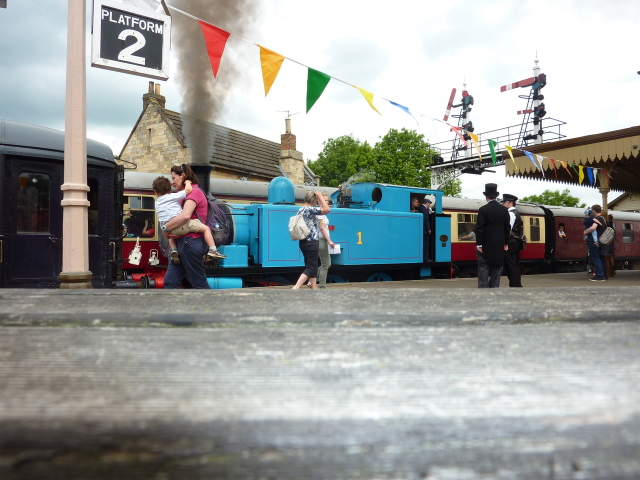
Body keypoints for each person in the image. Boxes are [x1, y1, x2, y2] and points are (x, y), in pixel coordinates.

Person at [161, 164, 212, 289]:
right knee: (170, 281)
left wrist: (165, 228)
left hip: (191, 242)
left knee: (198, 283)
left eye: (174, 178)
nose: (172, 182)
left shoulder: (194, 192)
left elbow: (185, 215)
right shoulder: (183, 195)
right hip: (182, 243)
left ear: (183, 176)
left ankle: (214, 302)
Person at [152, 176, 225, 264]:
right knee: (206, 229)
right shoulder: (173, 196)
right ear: (170, 190)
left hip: (170, 229)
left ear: (155, 192)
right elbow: (188, 190)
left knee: (171, 238)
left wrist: (165, 229)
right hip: (181, 225)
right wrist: (187, 182)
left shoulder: (157, 203)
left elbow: (161, 219)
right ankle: (213, 249)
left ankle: (173, 249)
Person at [292, 191, 331, 290]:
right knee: (311, 267)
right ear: (313, 200)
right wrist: (321, 197)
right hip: (311, 242)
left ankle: (314, 288)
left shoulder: (301, 209)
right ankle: (296, 287)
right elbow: (327, 209)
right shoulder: (310, 209)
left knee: (312, 265)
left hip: (303, 242)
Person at [475, 183, 510, 288]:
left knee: (483, 270)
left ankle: (483, 292)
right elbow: (507, 228)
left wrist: (479, 244)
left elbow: (480, 228)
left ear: (486, 197)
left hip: (485, 245)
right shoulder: (504, 210)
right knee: (497, 271)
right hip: (499, 245)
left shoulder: (483, 209)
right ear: (496, 196)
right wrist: (506, 243)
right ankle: (494, 290)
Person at [501, 193, 523, 288]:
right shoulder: (515, 212)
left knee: (510, 264)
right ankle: (516, 284)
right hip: (515, 241)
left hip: (510, 242)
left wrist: (504, 242)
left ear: (510, 203)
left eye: (504, 202)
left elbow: (508, 230)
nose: (502, 204)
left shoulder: (510, 213)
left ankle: (515, 285)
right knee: (513, 264)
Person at [316, 195, 336, 289]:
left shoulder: (321, 213)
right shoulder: (320, 214)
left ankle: (311, 280)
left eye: (327, 200)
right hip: (322, 241)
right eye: (325, 200)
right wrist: (329, 241)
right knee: (325, 264)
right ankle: (322, 286)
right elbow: (322, 228)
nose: (327, 202)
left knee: (327, 263)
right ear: (320, 201)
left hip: (322, 240)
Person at [583, 206, 606, 282]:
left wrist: (586, 232)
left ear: (594, 211)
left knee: (596, 258)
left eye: (592, 210)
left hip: (594, 241)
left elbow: (593, 228)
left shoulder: (598, 218)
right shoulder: (603, 218)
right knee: (601, 258)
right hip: (601, 241)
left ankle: (600, 275)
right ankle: (603, 275)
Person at [418, 197, 432, 262]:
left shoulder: (421, 208)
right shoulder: (424, 209)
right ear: (427, 203)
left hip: (422, 229)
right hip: (424, 230)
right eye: (429, 203)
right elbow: (426, 219)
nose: (429, 205)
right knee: (426, 244)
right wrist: (428, 229)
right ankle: (425, 258)